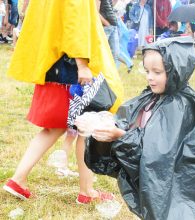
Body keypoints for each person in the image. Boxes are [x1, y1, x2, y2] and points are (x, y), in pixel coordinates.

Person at [83, 37, 195, 219]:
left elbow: (157, 156)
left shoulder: (181, 107)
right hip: (157, 185)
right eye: (147, 71)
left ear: (176, 71)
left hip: (176, 190)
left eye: (157, 72)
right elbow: (131, 123)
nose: (150, 77)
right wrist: (106, 124)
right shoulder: (151, 97)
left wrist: (121, 136)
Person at [3, 0, 123, 204]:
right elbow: (74, 21)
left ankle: (18, 180)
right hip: (70, 65)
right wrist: (82, 64)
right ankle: (86, 192)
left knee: (54, 128)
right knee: (87, 126)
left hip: (52, 59)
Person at [96, 0, 120, 66]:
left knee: (115, 55)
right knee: (102, 54)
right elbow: (95, 13)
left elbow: (108, 8)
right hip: (105, 28)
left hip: (112, 26)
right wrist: (107, 24)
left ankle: (113, 75)